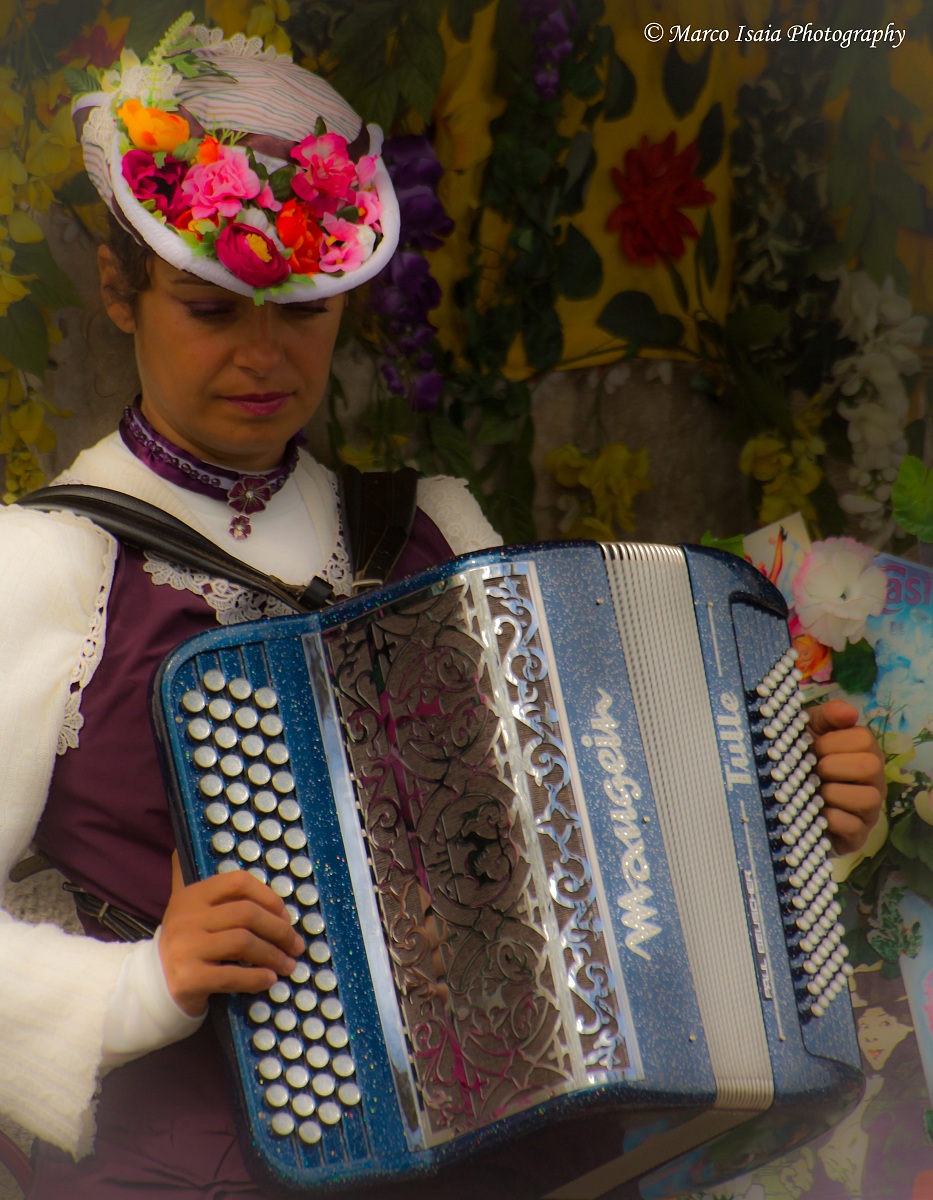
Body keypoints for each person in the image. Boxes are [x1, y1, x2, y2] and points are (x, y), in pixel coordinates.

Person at [0, 13, 885, 1200]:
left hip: (506, 1150)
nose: (264, 353)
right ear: (119, 289)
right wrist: (140, 984)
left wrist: (781, 808)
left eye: (305, 309)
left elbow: (583, 838)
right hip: (197, 1165)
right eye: (213, 307)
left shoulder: (434, 529)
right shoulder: (45, 562)